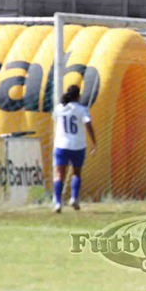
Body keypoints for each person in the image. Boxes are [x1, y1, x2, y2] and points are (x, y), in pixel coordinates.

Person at [52, 85, 97, 213]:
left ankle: (57, 202)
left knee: (59, 174)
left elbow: (55, 119)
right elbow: (88, 124)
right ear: (78, 96)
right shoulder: (82, 109)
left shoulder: (59, 108)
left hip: (61, 145)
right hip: (78, 145)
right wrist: (94, 142)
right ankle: (74, 198)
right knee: (76, 172)